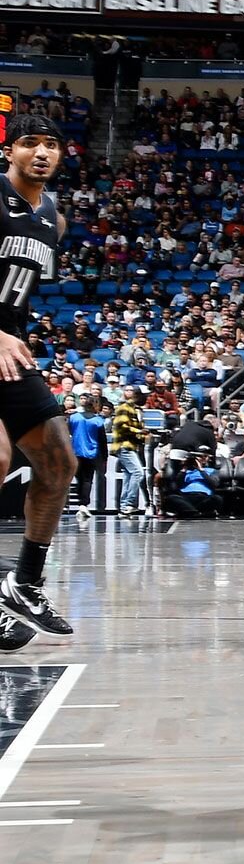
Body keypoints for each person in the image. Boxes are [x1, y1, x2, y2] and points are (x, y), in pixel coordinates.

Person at [0, 116, 79, 640]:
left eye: (52, 145)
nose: (42, 153)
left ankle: (23, 584)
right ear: (9, 150)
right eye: (31, 143)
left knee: (59, 462)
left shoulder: (54, 218)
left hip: (9, 354)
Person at [67, 393, 107, 518]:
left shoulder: (74, 418)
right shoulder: (98, 421)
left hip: (75, 452)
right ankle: (83, 505)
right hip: (91, 454)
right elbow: (102, 441)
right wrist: (105, 457)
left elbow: (68, 432)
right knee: (87, 479)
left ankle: (81, 504)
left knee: (79, 478)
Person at [110, 392, 147, 517]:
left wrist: (142, 434)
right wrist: (139, 431)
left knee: (128, 475)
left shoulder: (136, 410)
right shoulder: (124, 408)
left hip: (130, 446)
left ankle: (124, 506)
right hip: (123, 445)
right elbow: (121, 426)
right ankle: (129, 504)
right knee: (138, 472)